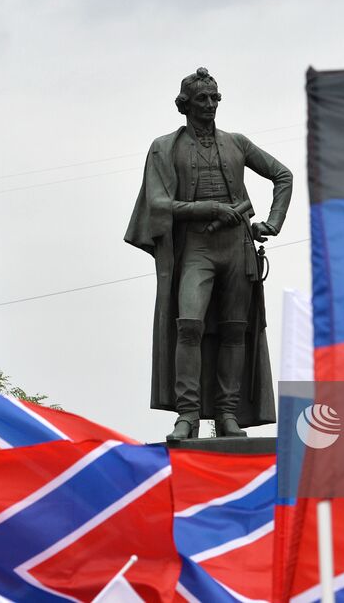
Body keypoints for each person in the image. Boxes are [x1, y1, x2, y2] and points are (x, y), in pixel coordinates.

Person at [125, 68, 291, 441]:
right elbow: (157, 202)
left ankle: (228, 414)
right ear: (184, 104)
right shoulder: (165, 146)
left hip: (237, 248)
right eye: (202, 98)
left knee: (236, 329)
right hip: (196, 248)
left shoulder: (237, 143)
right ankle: (188, 415)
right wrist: (209, 210)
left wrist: (272, 222)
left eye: (216, 97)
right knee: (189, 324)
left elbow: (283, 175)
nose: (211, 104)